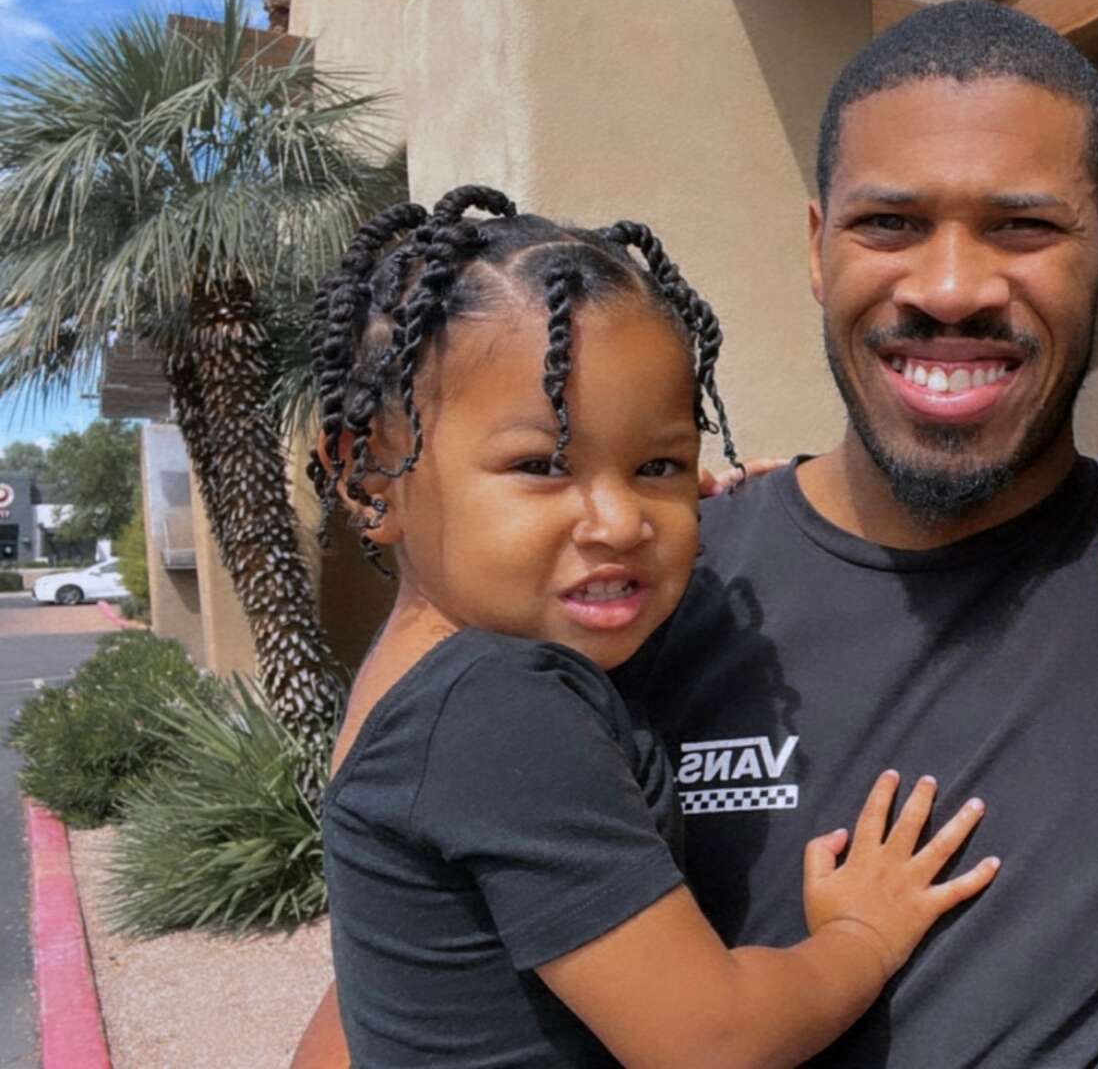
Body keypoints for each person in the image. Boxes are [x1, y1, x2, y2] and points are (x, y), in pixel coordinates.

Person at [618, 0, 1098, 1067]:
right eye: (890, 224)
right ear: (818, 247)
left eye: (1022, 227)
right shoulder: (657, 595)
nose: (951, 289)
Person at [297, 186, 998, 1067]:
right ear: (369, 479)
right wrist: (861, 937)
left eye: (657, 465)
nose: (621, 521)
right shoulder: (499, 706)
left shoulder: (418, 677)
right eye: (542, 465)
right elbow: (712, 1043)